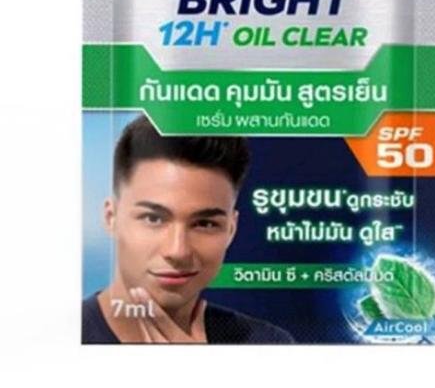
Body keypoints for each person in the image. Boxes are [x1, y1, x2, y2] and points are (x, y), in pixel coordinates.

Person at [82, 115, 294, 344]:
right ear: (111, 218)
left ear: (231, 230)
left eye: (205, 224)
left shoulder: (269, 345)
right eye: (153, 218)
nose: (178, 251)